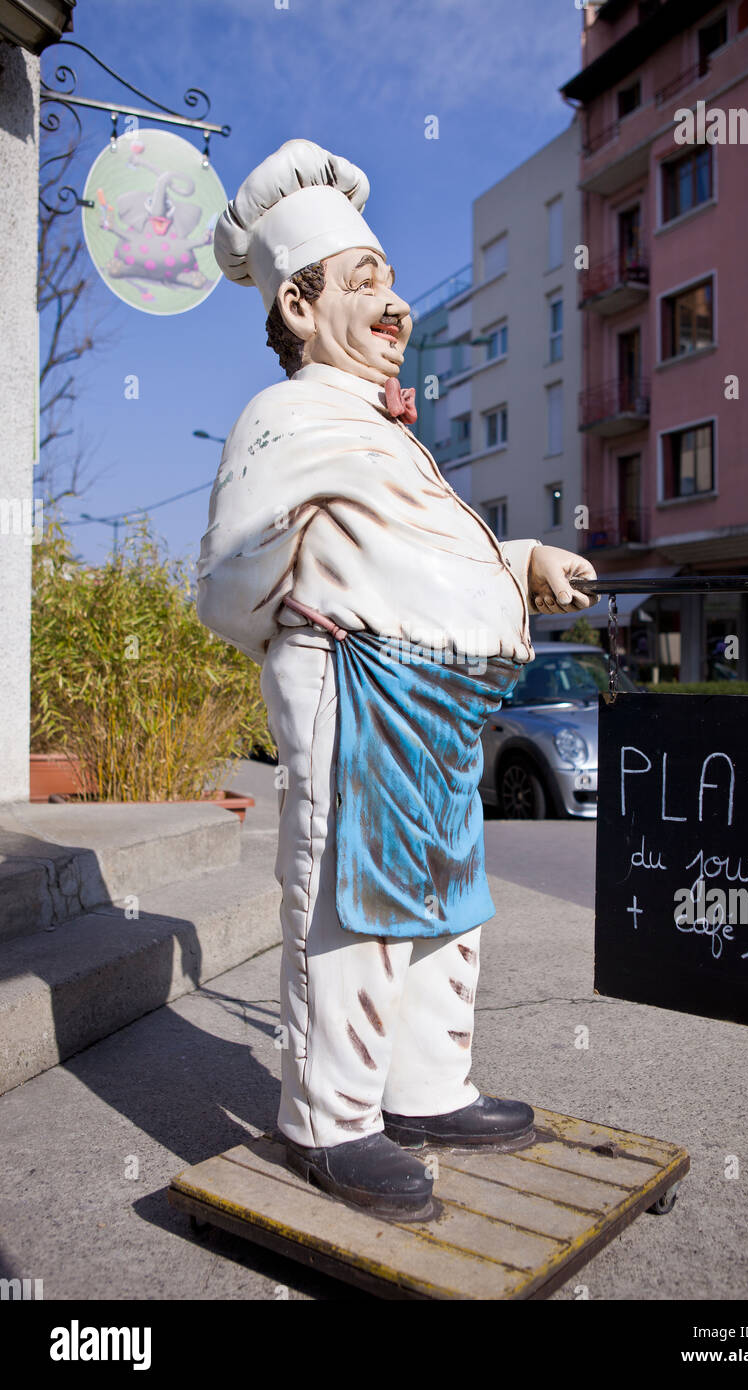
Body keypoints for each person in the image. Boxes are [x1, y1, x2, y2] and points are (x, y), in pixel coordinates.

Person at [197, 139, 597, 1219]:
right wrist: (312, 616)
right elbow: (229, 580)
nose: (392, 300)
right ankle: (329, 1120)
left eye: (386, 276)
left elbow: (424, 554)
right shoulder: (282, 421)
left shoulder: (384, 431)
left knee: (443, 906)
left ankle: (424, 1087)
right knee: (354, 906)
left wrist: (519, 564)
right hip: (361, 685)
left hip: (439, 699)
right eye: (361, 280)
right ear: (295, 302)